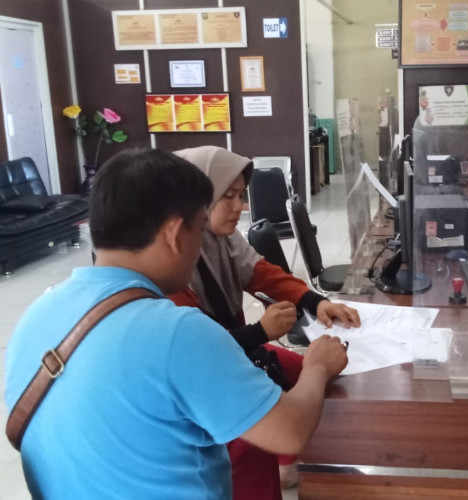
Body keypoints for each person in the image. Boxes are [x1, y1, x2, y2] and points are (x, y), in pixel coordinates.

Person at [4, 148, 348, 499]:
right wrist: (318, 366)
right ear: (173, 233)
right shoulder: (176, 330)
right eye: (199, 228)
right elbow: (288, 431)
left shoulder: (37, 314)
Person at [169, 145, 361, 500]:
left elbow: (261, 273)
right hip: (216, 363)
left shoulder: (222, 238)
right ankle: (279, 463)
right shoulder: (170, 263)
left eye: (241, 196)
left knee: (313, 369)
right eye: (228, 197)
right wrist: (260, 332)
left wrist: (314, 302)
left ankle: (289, 463)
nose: (240, 207)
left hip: (237, 350)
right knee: (252, 443)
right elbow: (194, 347)